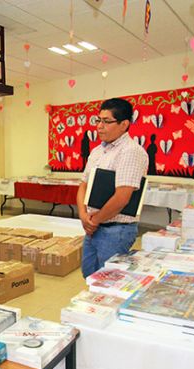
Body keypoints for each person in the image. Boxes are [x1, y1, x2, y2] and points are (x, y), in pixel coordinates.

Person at [76, 98, 148, 278]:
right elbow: (83, 184)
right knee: (89, 275)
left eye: (106, 121)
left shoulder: (131, 151)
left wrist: (95, 220)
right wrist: (84, 216)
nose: (99, 126)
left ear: (124, 124)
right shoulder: (97, 151)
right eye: (98, 120)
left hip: (116, 230)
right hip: (93, 226)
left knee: (108, 282)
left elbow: (122, 197)